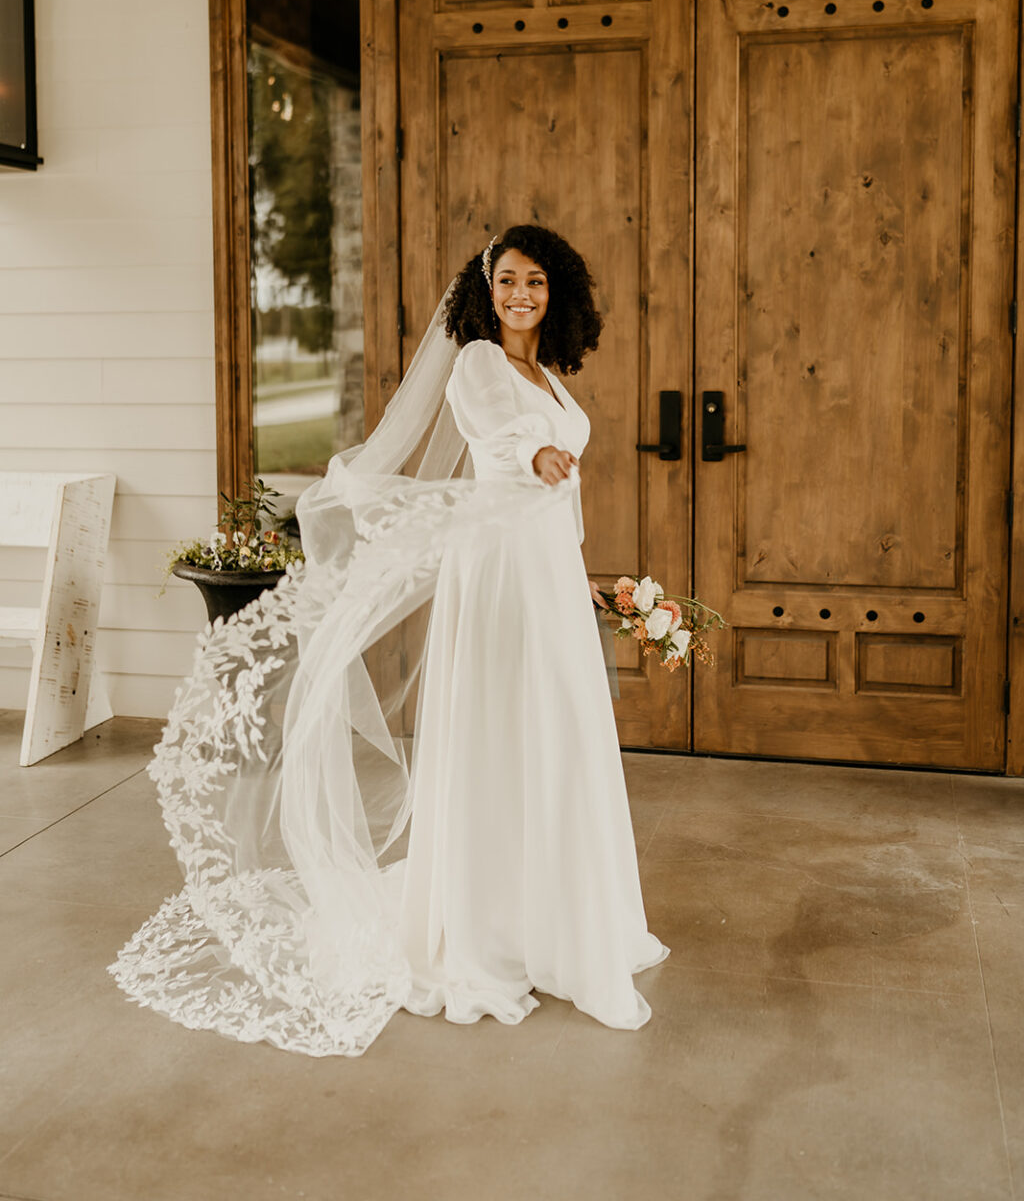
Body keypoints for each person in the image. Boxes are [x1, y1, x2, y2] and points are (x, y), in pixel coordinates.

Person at [110, 224, 668, 1057]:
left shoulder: (546, 375)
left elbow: (560, 492)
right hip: (500, 572)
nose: (522, 295)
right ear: (488, 289)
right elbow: (505, 441)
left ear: (559, 296)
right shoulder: (481, 361)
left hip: (546, 569)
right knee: (504, 729)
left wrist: (582, 572)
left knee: (559, 732)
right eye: (509, 280)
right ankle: (486, 927)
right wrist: (539, 451)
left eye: (538, 283)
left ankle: (562, 915)